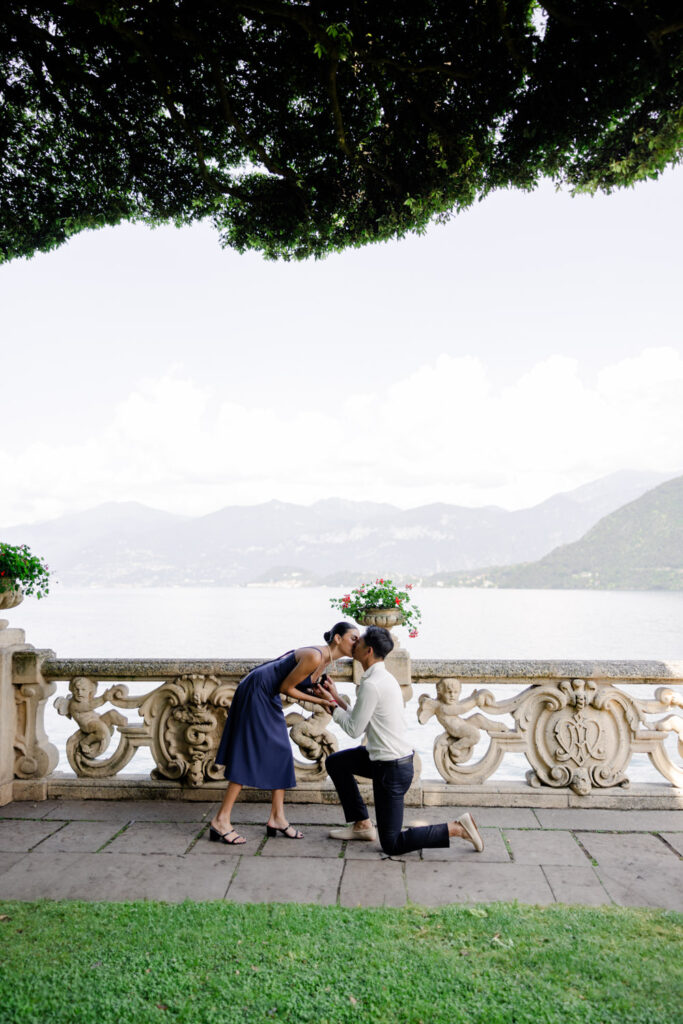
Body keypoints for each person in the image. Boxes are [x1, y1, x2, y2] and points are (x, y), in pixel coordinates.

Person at [318, 626, 485, 856]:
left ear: (368, 651)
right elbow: (365, 720)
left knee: (392, 844)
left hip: (392, 769)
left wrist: (330, 705)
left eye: (359, 642)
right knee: (336, 763)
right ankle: (362, 825)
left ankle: (456, 828)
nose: (354, 644)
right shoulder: (381, 677)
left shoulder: (372, 684)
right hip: (381, 759)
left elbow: (354, 729)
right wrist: (336, 696)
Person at [209, 621, 360, 845]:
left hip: (265, 693)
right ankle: (221, 820)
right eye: (353, 638)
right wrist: (321, 700)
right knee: (249, 753)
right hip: (257, 691)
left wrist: (320, 691)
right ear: (338, 639)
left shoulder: (324, 661)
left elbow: (293, 683)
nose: (357, 643)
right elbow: (285, 688)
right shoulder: (316, 656)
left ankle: (277, 818)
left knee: (280, 753)